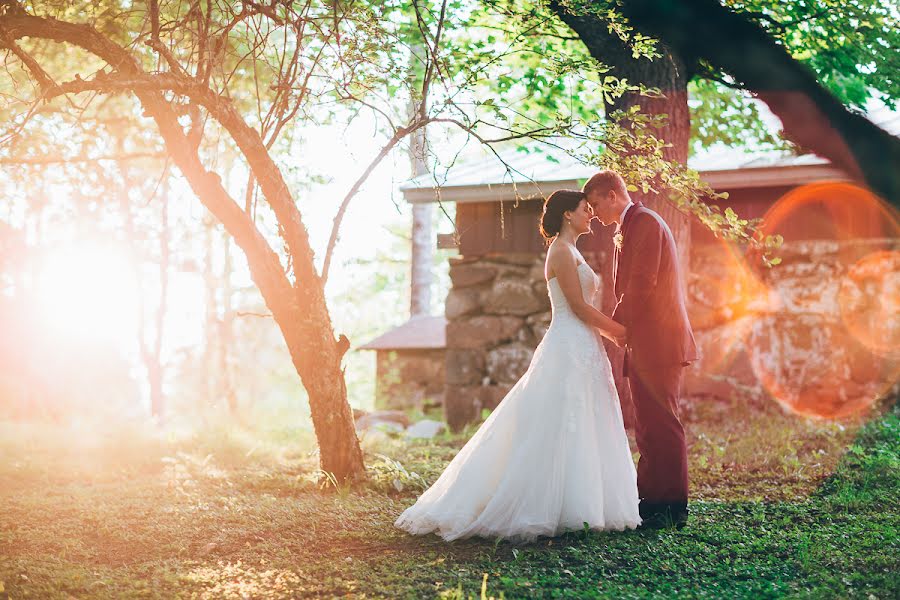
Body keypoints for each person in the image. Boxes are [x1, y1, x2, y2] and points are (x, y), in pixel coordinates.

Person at [395, 190, 640, 542]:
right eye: (586, 210)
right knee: (556, 423)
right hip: (568, 344)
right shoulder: (559, 251)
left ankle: (585, 503)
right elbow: (578, 306)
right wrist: (620, 333)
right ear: (568, 215)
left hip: (585, 345)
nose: (591, 215)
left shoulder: (572, 250)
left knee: (585, 419)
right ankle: (541, 502)